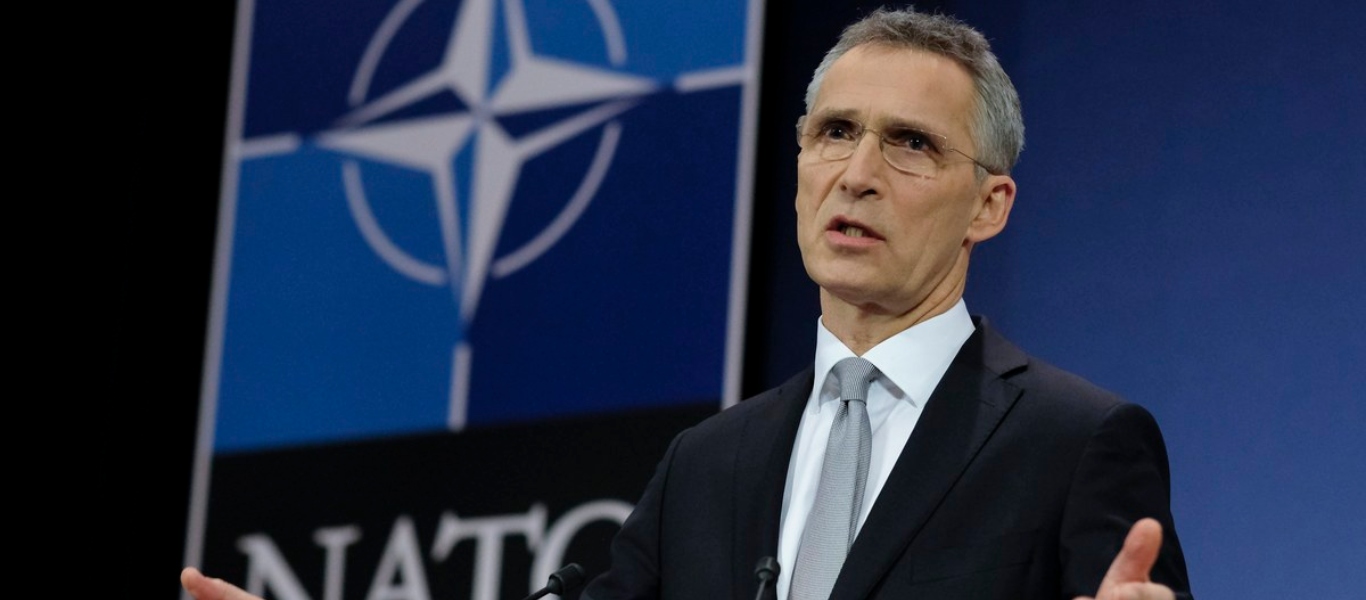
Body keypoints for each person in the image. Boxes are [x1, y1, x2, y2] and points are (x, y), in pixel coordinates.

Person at [182, 6, 1192, 600]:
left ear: (989, 205)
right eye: (834, 133)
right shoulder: (710, 463)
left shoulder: (1075, 441)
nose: (857, 174)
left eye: (911, 144)